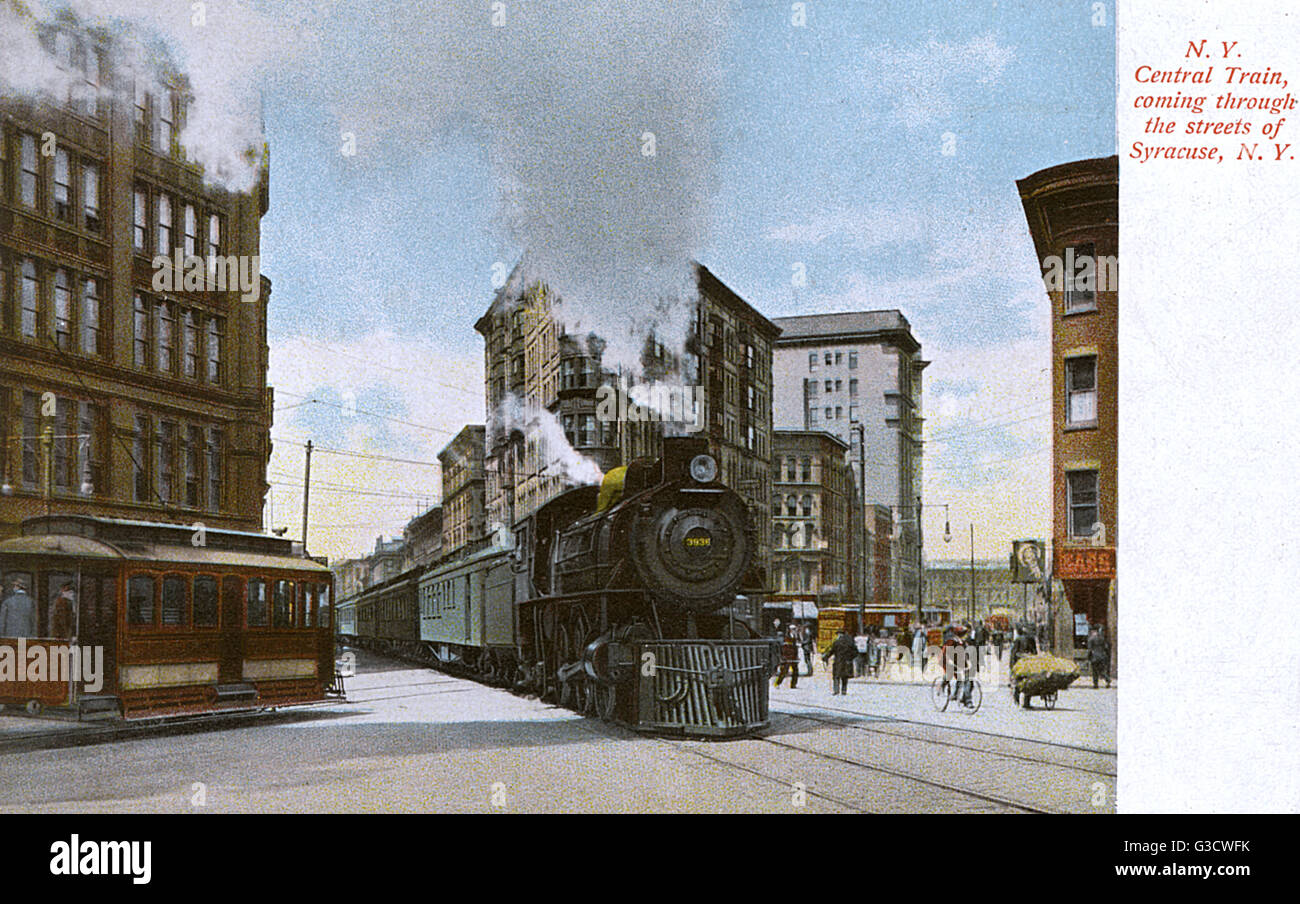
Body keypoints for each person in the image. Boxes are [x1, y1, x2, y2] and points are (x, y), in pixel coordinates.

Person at [1010, 622, 1039, 707]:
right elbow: (1034, 652)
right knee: (1026, 681)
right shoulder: (1020, 639)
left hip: (1025, 663)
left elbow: (1013, 653)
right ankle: (1022, 699)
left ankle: (1022, 699)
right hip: (1023, 663)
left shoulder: (1020, 639)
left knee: (1025, 681)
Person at [823, 628, 858, 695]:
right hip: (847, 662)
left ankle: (836, 690)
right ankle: (844, 690)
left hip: (838, 662)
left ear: (839, 634)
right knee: (845, 677)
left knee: (836, 676)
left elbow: (831, 651)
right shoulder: (850, 642)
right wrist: (850, 658)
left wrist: (825, 657)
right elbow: (856, 652)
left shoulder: (837, 642)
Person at [1087, 623, 1112, 688]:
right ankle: (1107, 679)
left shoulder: (1091, 638)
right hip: (1102, 656)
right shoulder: (1102, 638)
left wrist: (1088, 657)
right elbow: (1106, 647)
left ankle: (1096, 684)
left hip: (1094, 656)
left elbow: (1090, 649)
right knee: (1102, 670)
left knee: (1095, 671)